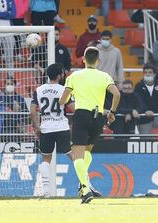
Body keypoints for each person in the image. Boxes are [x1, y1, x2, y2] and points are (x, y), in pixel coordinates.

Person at [59, 47, 120, 203]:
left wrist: (68, 98)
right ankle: (85, 184)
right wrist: (112, 111)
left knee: (77, 155)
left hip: (82, 115)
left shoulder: (75, 76)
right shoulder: (105, 76)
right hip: (98, 117)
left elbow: (63, 101)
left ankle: (85, 189)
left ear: (83, 59)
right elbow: (117, 94)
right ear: (98, 61)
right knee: (87, 153)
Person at [30, 63, 73, 197]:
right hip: (61, 126)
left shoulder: (39, 90)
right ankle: (86, 181)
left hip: (46, 128)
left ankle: (46, 191)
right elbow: (74, 108)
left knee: (46, 160)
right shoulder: (64, 90)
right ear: (60, 75)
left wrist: (37, 127)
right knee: (71, 154)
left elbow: (32, 112)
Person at [134, 63, 158, 134]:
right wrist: (146, 111)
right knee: (145, 140)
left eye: (150, 72)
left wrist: (153, 111)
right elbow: (138, 102)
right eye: (145, 72)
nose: (147, 74)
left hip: (157, 115)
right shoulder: (138, 86)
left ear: (154, 74)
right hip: (144, 117)